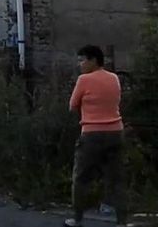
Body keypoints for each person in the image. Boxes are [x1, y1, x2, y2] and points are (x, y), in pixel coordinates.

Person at [65, 45, 127, 227]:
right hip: (116, 131)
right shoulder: (114, 78)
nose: (80, 64)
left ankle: (77, 219)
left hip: (92, 133)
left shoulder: (84, 80)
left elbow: (72, 105)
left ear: (93, 60)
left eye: (82, 60)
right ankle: (121, 222)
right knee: (116, 179)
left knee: (81, 178)